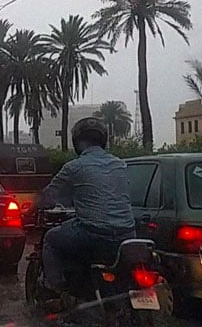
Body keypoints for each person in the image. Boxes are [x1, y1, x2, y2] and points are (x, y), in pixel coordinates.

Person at [38, 117, 136, 297]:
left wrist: (33, 208)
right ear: (103, 140)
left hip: (93, 236)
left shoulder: (74, 167)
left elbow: (49, 196)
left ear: (77, 142)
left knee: (51, 239)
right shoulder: (121, 165)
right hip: (128, 235)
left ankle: (53, 289)